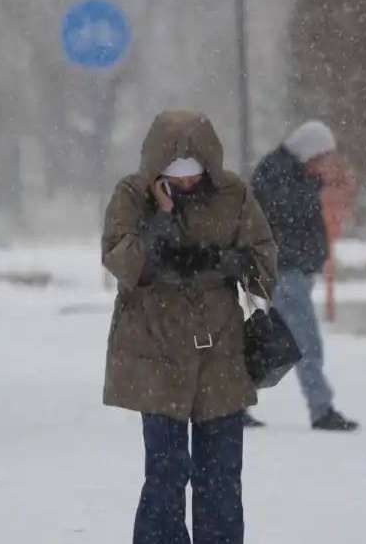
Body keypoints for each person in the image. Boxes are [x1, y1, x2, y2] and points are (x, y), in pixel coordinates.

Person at [102, 110, 277, 544]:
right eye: (174, 178)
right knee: (165, 473)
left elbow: (264, 263)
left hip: (219, 352)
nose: (184, 186)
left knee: (220, 477)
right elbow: (122, 261)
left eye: (193, 176)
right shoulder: (131, 195)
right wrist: (161, 220)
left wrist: (226, 263)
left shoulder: (234, 194)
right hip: (156, 353)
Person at [247, 120, 360, 432]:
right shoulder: (283, 176)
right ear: (311, 153)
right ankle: (321, 410)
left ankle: (233, 405)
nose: (327, 164)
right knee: (305, 343)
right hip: (284, 273)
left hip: (284, 271)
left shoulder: (288, 173)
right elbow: (286, 220)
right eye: (324, 157)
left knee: (272, 344)